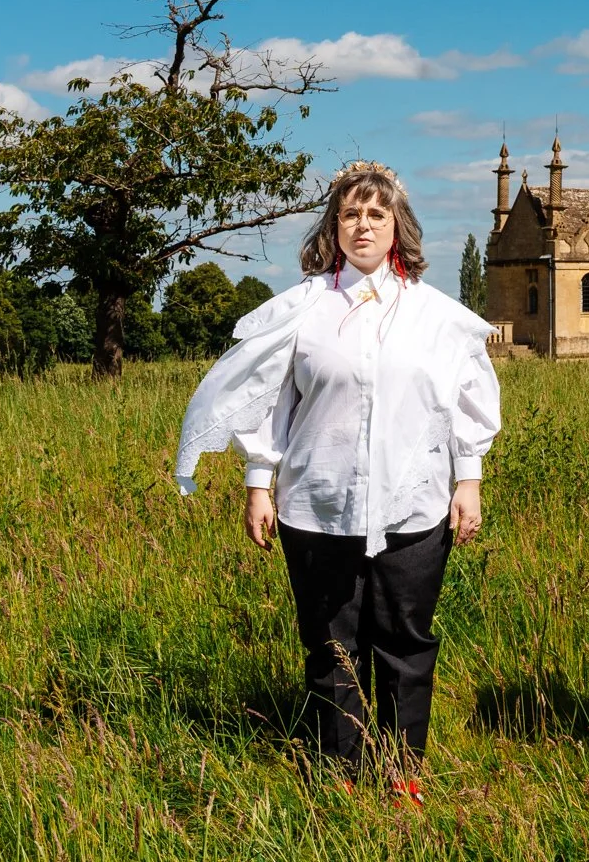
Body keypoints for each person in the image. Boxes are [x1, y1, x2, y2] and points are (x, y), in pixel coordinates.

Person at [176, 161, 499, 802]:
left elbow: (465, 402)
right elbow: (273, 404)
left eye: (376, 214)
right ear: (333, 225)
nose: (363, 225)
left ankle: (403, 769)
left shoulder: (438, 316)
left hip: (415, 505)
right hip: (317, 505)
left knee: (405, 640)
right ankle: (340, 772)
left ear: (397, 226)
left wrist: (470, 480)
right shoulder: (303, 310)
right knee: (331, 644)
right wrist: (258, 482)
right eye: (350, 213)